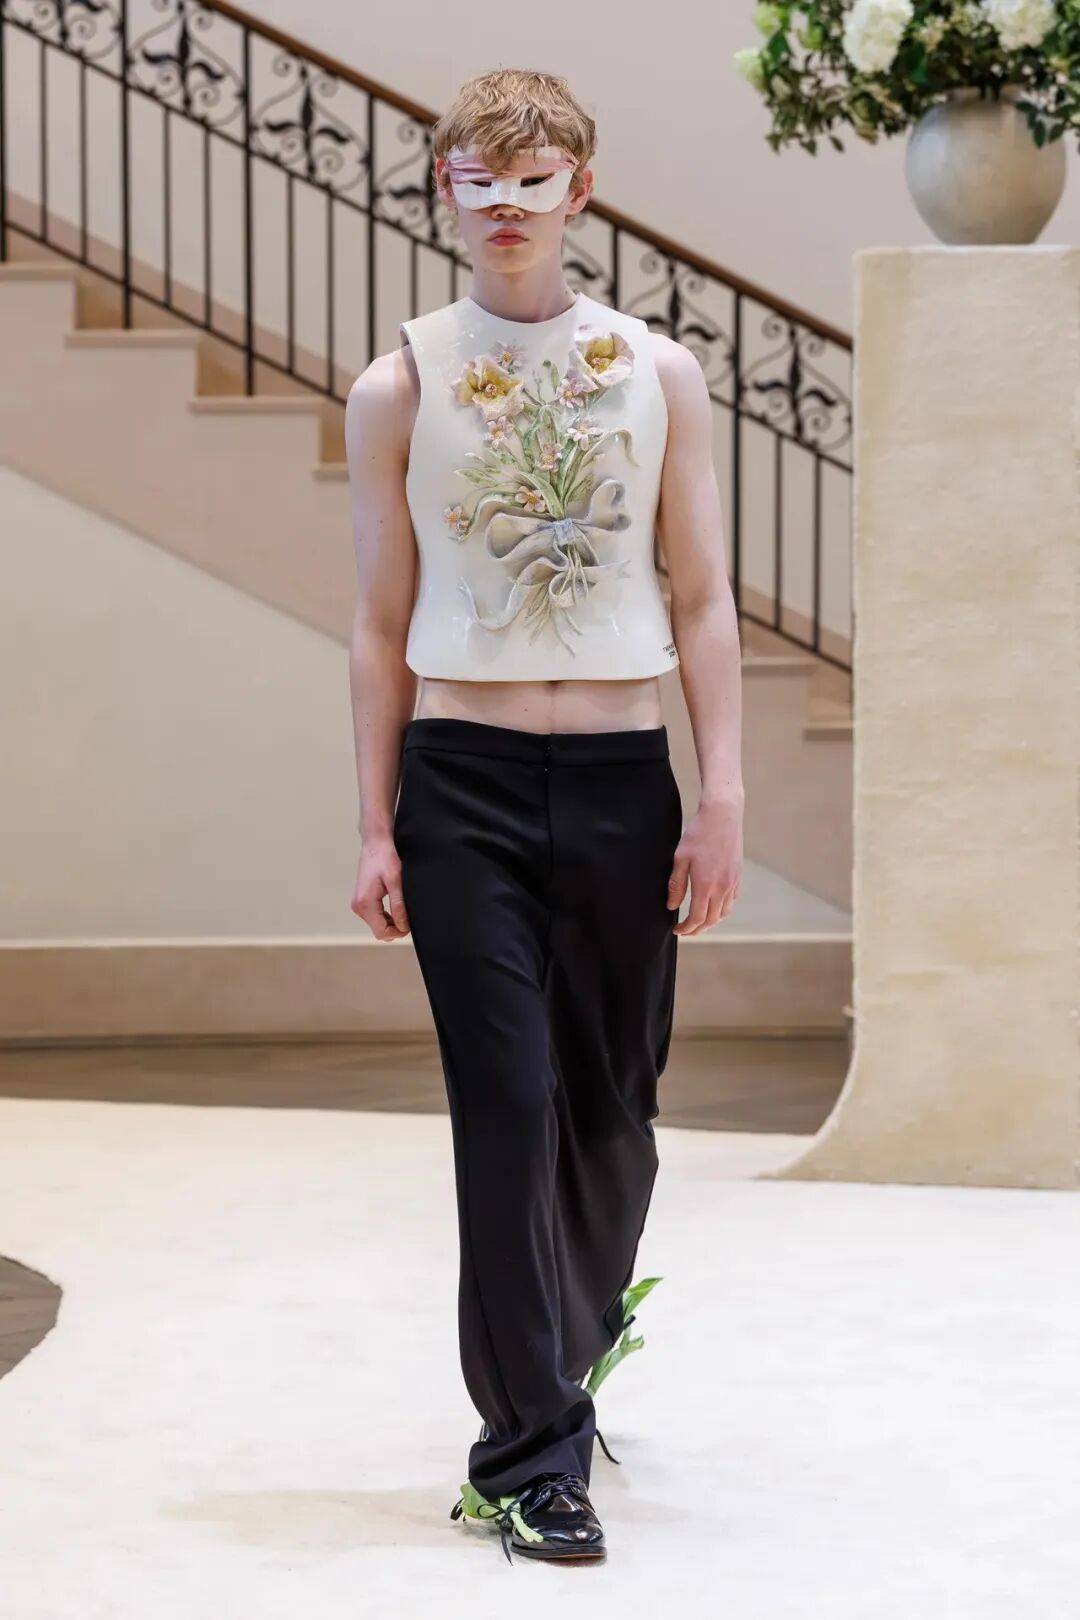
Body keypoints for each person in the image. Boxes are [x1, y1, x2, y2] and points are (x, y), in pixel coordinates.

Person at [345, 67, 743, 1565]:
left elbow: (701, 600)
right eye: (478, 178)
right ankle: (529, 1459)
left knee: (614, 1118)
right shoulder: (400, 383)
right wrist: (374, 825)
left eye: (533, 178)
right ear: (445, 191)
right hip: (462, 786)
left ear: (579, 190)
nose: (505, 205)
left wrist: (721, 793)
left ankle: (564, 1358)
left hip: (628, 784)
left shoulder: (659, 373)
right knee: (506, 1109)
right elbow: (379, 621)